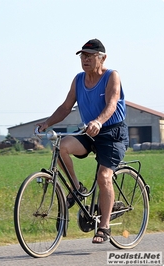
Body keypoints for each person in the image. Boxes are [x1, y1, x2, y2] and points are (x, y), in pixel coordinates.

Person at [37, 39, 129, 244]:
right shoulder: (78, 79)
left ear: (102, 58)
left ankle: (104, 227)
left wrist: (98, 121)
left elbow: (112, 103)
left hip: (112, 133)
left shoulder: (111, 76)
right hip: (89, 131)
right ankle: (78, 189)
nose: (85, 60)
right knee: (61, 147)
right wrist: (47, 123)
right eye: (83, 56)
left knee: (104, 176)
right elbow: (65, 107)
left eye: (90, 56)